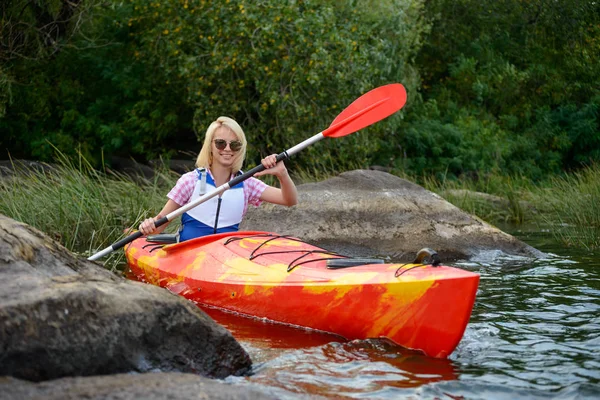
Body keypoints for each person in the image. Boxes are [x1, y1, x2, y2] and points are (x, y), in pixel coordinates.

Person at [138, 116, 298, 241]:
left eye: (234, 145)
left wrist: (282, 174)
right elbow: (159, 224)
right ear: (210, 146)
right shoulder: (189, 181)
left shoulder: (247, 183)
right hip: (188, 254)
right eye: (221, 143)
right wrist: (148, 225)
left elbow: (289, 200)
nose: (227, 149)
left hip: (224, 257)